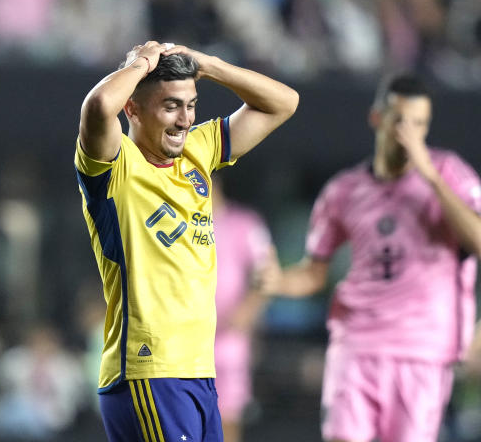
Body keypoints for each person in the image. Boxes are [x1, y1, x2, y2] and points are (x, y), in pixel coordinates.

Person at [75, 41, 298, 442]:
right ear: (133, 109)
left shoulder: (199, 149)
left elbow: (283, 103)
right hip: (149, 370)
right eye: (171, 106)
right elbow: (96, 107)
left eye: (191, 104)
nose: (184, 119)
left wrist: (209, 66)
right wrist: (143, 63)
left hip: (198, 370)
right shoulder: (116, 166)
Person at [260, 74, 481, 442]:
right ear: (377, 117)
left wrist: (430, 176)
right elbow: (314, 273)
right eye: (400, 120)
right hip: (357, 341)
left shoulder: (449, 174)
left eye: (418, 124)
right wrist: (278, 281)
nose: (408, 133)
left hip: (421, 349)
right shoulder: (343, 191)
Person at [211, 177, 275, 442]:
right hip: (185, 339)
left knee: (227, 417)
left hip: (228, 341)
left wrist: (248, 310)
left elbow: (267, 270)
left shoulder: (244, 223)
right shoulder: (176, 224)